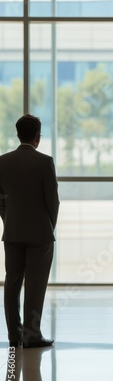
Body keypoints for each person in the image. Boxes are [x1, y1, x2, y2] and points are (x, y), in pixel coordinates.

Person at [0, 114, 59, 348]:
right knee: (36, 285)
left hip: (12, 231)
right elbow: (52, 201)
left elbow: (0, 200)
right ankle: (31, 335)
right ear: (37, 137)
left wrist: (9, 220)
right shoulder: (45, 162)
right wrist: (48, 225)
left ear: (18, 134)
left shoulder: (2, 161)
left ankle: (14, 336)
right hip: (40, 234)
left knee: (12, 283)